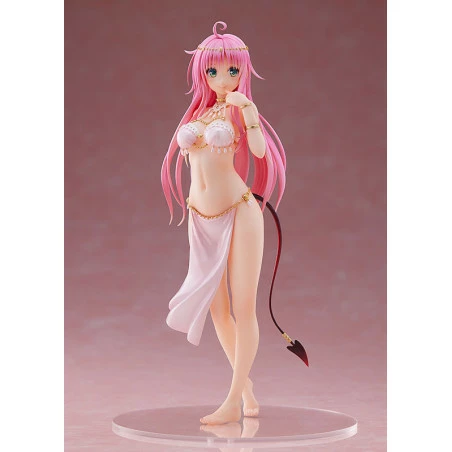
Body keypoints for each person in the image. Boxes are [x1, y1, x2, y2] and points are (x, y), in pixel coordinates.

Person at [161, 21, 286, 425]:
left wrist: (248, 110)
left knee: (244, 307)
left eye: (232, 70)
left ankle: (232, 401)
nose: (222, 78)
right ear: (201, 71)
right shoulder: (200, 112)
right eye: (213, 70)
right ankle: (245, 389)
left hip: (238, 212)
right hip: (201, 219)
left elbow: (259, 151)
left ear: (242, 71)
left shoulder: (238, 109)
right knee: (217, 310)